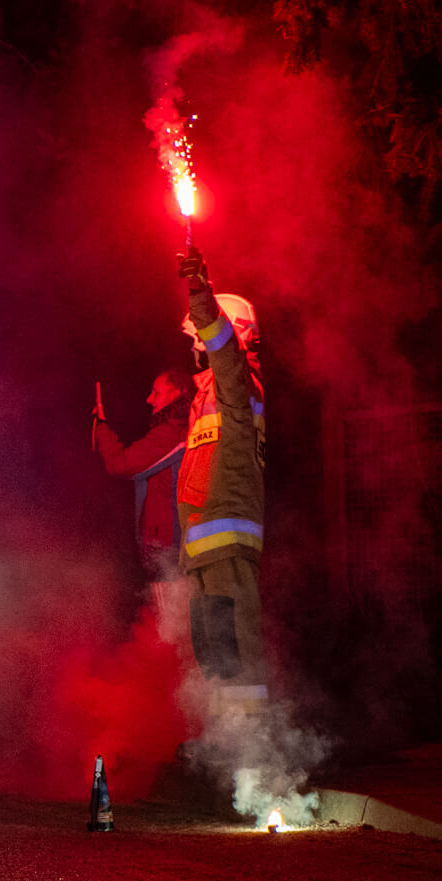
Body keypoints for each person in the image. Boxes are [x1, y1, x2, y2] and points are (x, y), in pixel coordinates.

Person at [174, 245, 268, 720]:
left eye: (201, 338)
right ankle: (225, 754)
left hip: (227, 548)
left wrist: (200, 294)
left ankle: (254, 754)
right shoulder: (208, 397)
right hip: (205, 554)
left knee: (238, 658)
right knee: (215, 661)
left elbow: (224, 350)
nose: (196, 347)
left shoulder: (239, 383)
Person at [92, 370, 194, 577]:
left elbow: (120, 464)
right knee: (168, 606)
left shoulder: (172, 433)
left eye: (156, 392)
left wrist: (101, 428)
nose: (149, 400)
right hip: (172, 544)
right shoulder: (182, 430)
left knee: (167, 606)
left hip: (168, 546)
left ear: (177, 393)